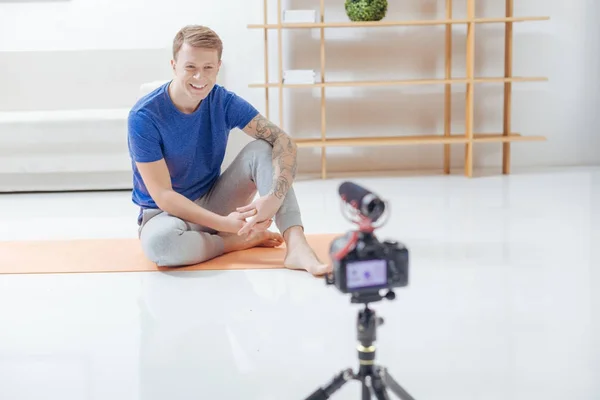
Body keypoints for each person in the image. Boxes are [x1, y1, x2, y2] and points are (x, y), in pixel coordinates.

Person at [127, 24, 330, 276]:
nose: (200, 77)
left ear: (218, 67)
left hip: (213, 200)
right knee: (162, 246)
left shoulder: (223, 101)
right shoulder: (144, 116)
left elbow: (284, 141)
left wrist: (272, 200)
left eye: (208, 68)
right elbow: (163, 196)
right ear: (174, 65)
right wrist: (228, 227)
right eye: (190, 67)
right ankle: (235, 242)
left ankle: (297, 245)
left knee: (263, 148)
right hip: (164, 215)